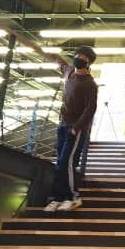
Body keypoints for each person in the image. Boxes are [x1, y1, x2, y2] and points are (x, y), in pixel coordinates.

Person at [44, 46, 98, 212]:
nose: (78, 59)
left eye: (83, 58)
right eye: (77, 56)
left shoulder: (89, 84)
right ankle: (58, 198)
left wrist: (77, 127)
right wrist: (52, 54)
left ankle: (73, 197)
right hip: (63, 125)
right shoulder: (69, 72)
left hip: (76, 129)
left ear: (88, 63)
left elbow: (90, 109)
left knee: (67, 162)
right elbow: (61, 63)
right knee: (60, 163)